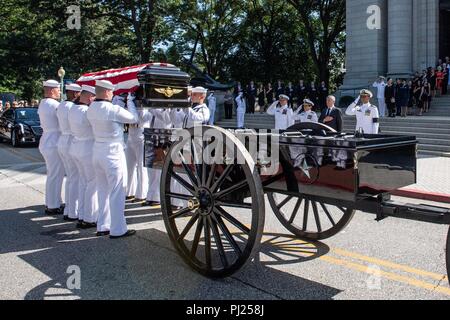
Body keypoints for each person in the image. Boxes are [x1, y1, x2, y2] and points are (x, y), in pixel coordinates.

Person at [87, 80, 138, 239]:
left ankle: (103, 225)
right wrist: (130, 102)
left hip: (97, 151)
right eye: (111, 92)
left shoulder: (91, 108)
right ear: (107, 92)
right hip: (113, 153)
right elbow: (133, 118)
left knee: (102, 190)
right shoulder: (112, 109)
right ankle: (118, 229)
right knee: (117, 190)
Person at [68, 85, 98, 228]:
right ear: (88, 96)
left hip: (76, 146)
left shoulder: (73, 108)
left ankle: (81, 215)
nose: (94, 99)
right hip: (87, 148)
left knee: (83, 182)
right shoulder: (87, 111)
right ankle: (90, 217)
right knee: (92, 183)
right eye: (93, 97)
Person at [38, 80, 65, 215]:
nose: (59, 92)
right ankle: (53, 205)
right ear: (50, 90)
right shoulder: (54, 105)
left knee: (53, 174)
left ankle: (53, 202)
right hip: (54, 141)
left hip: (47, 140)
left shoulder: (43, 103)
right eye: (58, 89)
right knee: (56, 174)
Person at [56, 83, 82, 221]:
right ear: (73, 93)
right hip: (71, 139)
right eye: (78, 93)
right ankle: (73, 211)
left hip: (63, 139)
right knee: (75, 178)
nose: (79, 96)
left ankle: (69, 209)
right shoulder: (72, 107)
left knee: (71, 178)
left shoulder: (61, 105)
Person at [125, 92, 151, 204]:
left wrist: (130, 103)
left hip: (142, 135)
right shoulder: (130, 104)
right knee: (129, 166)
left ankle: (142, 194)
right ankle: (129, 191)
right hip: (131, 134)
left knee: (141, 166)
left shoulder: (147, 105)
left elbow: (141, 118)